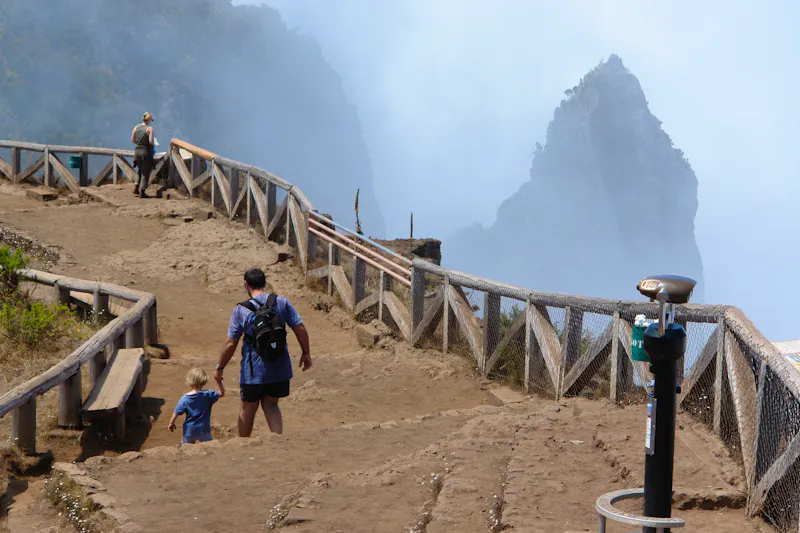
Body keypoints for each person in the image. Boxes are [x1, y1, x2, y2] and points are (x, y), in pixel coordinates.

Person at [214, 268, 311, 437]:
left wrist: (220, 367)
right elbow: (300, 328)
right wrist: (306, 353)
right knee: (272, 404)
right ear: (265, 283)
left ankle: (243, 445)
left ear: (246, 284)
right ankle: (278, 441)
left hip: (253, 371)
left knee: (248, 407)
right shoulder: (281, 302)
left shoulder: (241, 310)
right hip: (279, 366)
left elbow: (231, 343)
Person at [167, 368, 225, 444]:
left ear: (189, 381)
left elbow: (177, 412)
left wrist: (171, 423)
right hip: (203, 429)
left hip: (190, 429)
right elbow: (221, 394)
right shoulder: (208, 395)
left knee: (186, 447)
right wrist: (219, 381)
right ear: (204, 381)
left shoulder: (185, 398)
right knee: (208, 446)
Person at [130, 112, 155, 198]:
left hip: (137, 151)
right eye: (151, 119)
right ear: (149, 120)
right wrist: (153, 145)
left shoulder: (136, 127)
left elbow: (132, 139)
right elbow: (151, 142)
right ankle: (142, 191)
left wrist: (139, 143)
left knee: (139, 170)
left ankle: (136, 188)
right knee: (145, 172)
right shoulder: (150, 129)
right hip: (145, 152)